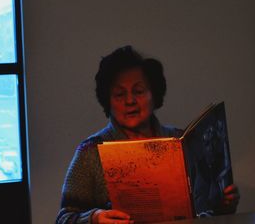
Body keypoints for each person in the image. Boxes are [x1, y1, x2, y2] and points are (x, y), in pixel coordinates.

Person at [56, 46, 240, 224]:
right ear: (107, 101)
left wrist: (223, 207)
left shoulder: (181, 141)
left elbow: (201, 211)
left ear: (154, 94)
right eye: (120, 94)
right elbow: (63, 218)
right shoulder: (91, 151)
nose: (130, 101)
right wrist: (94, 218)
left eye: (138, 91)